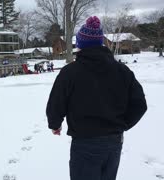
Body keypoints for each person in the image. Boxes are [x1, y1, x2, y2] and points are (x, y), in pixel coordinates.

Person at [46, 16, 147, 180]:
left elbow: (56, 103)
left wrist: (55, 124)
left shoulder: (70, 72)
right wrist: (120, 125)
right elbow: (140, 105)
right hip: (113, 142)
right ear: (100, 43)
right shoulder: (122, 71)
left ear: (80, 45)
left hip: (85, 143)